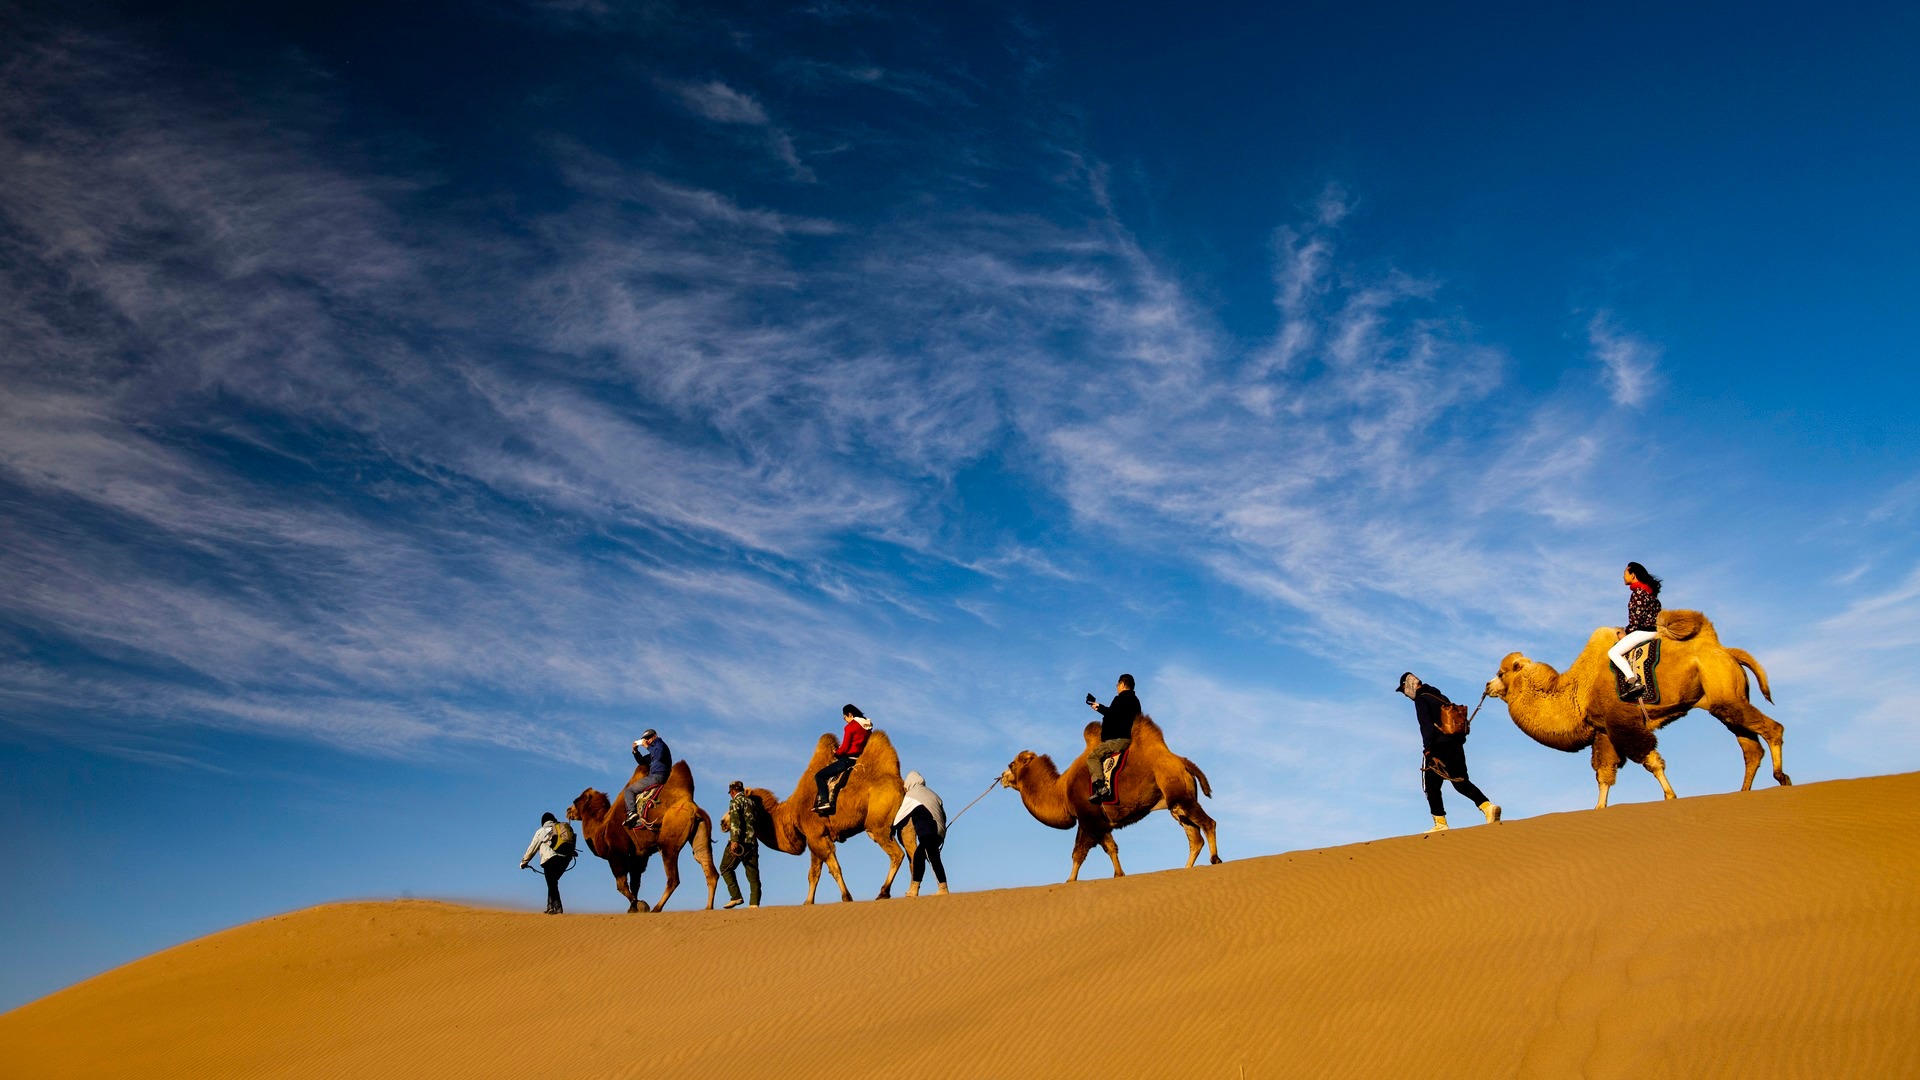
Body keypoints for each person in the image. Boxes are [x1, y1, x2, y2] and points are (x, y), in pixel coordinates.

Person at [1397, 672, 1500, 833]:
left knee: (1430, 786)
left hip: (1437, 748)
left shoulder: (1421, 699)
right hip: (1455, 745)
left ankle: (1440, 823)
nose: (1405, 694)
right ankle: (1488, 807)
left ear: (1408, 684)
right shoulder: (1441, 697)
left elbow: (1426, 726)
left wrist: (1427, 749)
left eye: (1403, 689)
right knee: (1461, 782)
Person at [1607, 562, 1664, 701]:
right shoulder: (1650, 593)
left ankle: (1633, 681)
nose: (1623, 576)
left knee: (1613, 652)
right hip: (1654, 631)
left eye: (1625, 573)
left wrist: (1624, 633)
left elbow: (1636, 621)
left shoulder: (1638, 593)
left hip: (1642, 632)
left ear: (1633, 575)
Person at [891, 770, 949, 897]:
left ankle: (943, 887)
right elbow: (944, 816)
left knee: (932, 857)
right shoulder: (933, 794)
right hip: (939, 832)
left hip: (928, 831)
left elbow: (900, 817)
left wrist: (891, 828)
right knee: (918, 856)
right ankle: (914, 889)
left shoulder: (912, 795)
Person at [1084, 674, 1140, 804]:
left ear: (1122, 684)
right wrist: (1099, 707)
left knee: (1092, 757)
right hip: (1129, 739)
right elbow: (1115, 714)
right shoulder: (1135, 701)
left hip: (1117, 741)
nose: (1117, 688)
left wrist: (1101, 709)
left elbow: (1112, 715)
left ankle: (1100, 787)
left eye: (1117, 685)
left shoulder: (1119, 699)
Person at [813, 705, 872, 814]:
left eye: (844, 717)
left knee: (819, 776)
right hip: (861, 760)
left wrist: (836, 753)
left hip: (848, 760)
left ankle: (824, 802)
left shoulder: (851, 726)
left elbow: (845, 747)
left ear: (849, 714)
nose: (845, 720)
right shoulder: (867, 728)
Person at [519, 811, 575, 914]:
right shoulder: (559, 828)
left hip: (550, 859)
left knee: (552, 883)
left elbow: (532, 848)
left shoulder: (542, 831)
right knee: (552, 882)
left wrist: (524, 862)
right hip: (566, 859)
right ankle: (550, 907)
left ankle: (558, 909)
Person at [719, 780, 761, 909]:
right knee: (753, 875)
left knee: (725, 868)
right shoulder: (752, 803)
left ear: (732, 792)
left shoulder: (735, 802)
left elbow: (735, 822)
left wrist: (734, 841)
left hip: (740, 842)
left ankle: (736, 896)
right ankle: (754, 903)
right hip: (752, 842)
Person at [619, 729, 672, 830]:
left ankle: (631, 812)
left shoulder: (659, 744)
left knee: (629, 790)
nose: (647, 740)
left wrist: (647, 746)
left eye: (648, 738)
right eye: (645, 739)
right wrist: (635, 751)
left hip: (657, 776)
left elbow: (658, 755)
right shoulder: (654, 749)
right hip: (658, 776)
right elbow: (642, 761)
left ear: (654, 736)